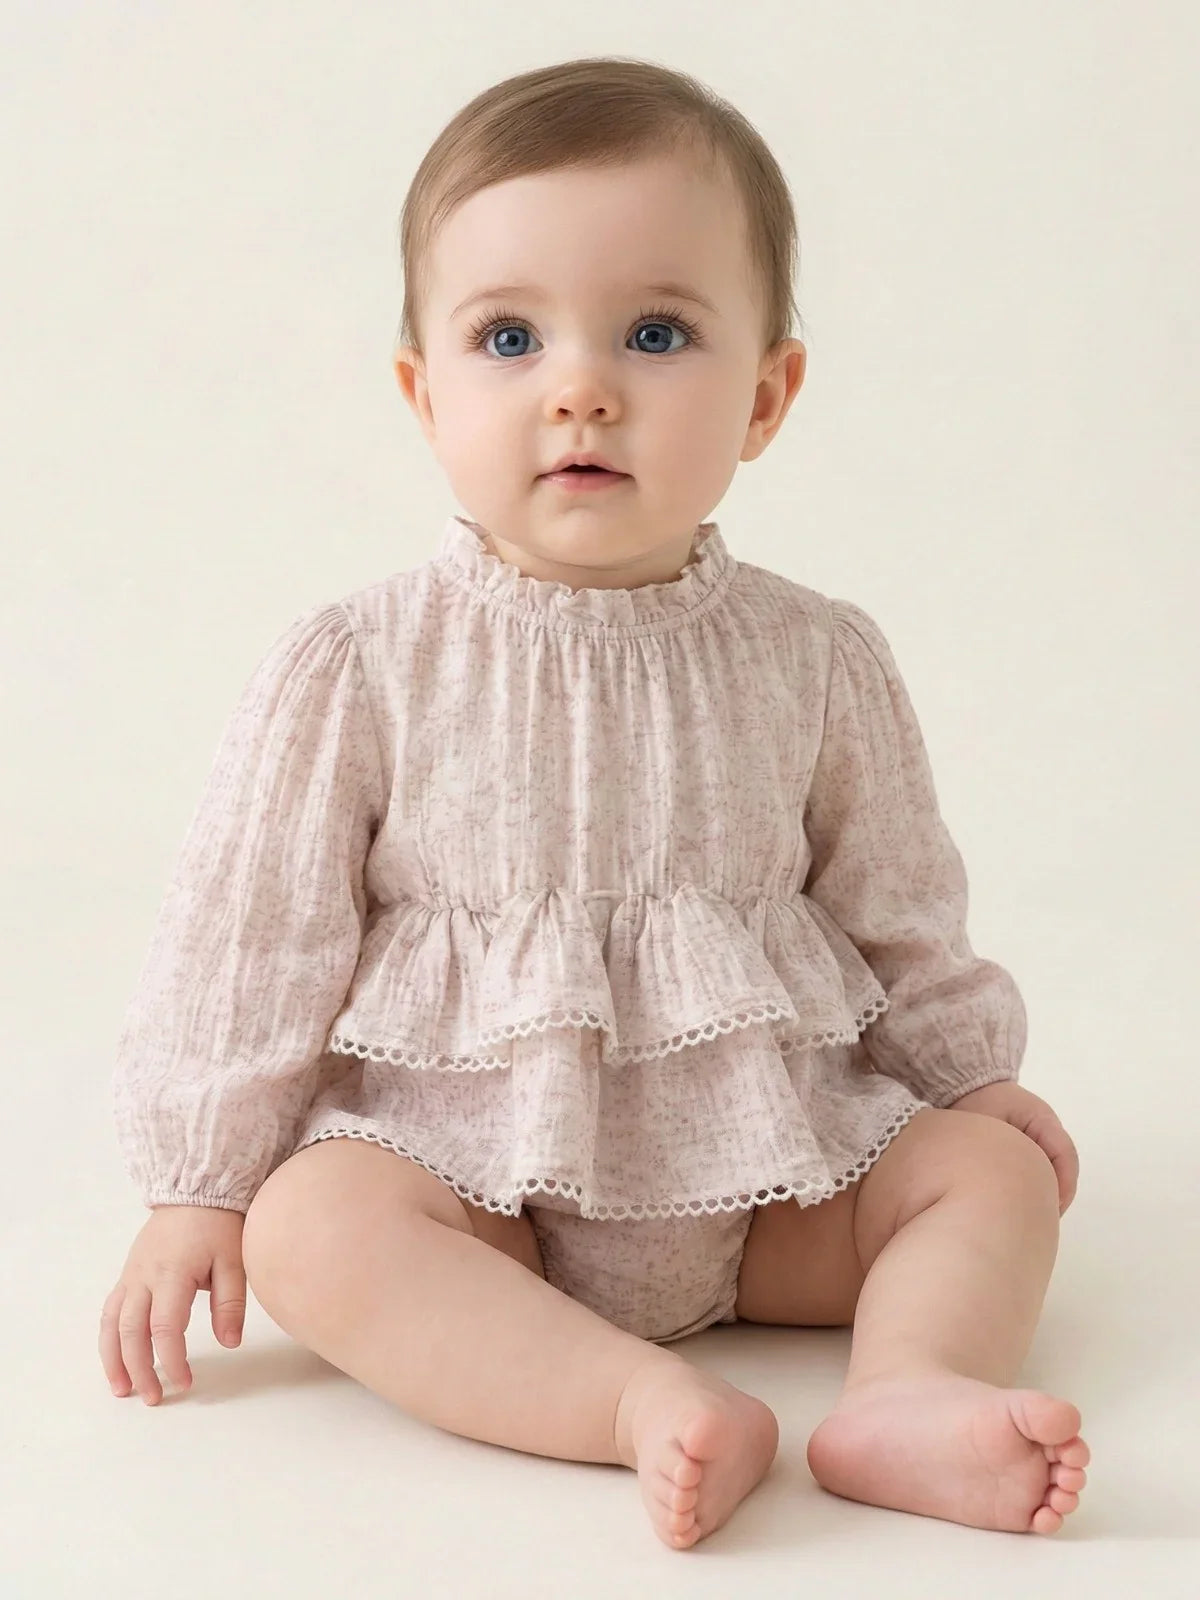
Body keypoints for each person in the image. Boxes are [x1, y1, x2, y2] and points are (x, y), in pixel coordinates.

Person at [99, 56, 1089, 1552]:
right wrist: (200, 1185)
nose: (582, 385)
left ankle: (909, 1389)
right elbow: (251, 939)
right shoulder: (360, 663)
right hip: (470, 1181)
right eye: (509, 336)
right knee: (317, 1228)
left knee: (995, 1176)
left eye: (656, 331)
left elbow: (896, 903)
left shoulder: (817, 655)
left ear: (766, 395)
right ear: (426, 397)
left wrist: (963, 1076)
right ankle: (628, 1401)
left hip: (768, 1176)